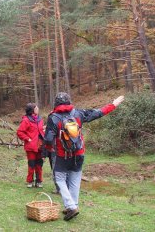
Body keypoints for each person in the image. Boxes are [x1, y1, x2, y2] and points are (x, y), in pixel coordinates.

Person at [44, 92, 124, 221]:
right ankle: (72, 206)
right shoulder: (78, 113)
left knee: (59, 179)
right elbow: (99, 113)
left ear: (56, 103)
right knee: (75, 180)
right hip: (79, 154)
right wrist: (113, 104)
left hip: (62, 155)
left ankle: (70, 206)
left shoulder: (53, 118)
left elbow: (48, 139)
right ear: (69, 102)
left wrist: (49, 149)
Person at [17, 103, 45, 188]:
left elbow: (41, 131)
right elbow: (20, 132)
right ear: (32, 110)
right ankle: (30, 181)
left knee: (39, 165)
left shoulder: (40, 119)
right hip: (31, 146)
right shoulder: (26, 120)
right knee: (31, 164)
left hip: (40, 146)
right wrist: (27, 139)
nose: (38, 109)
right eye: (36, 108)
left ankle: (39, 181)